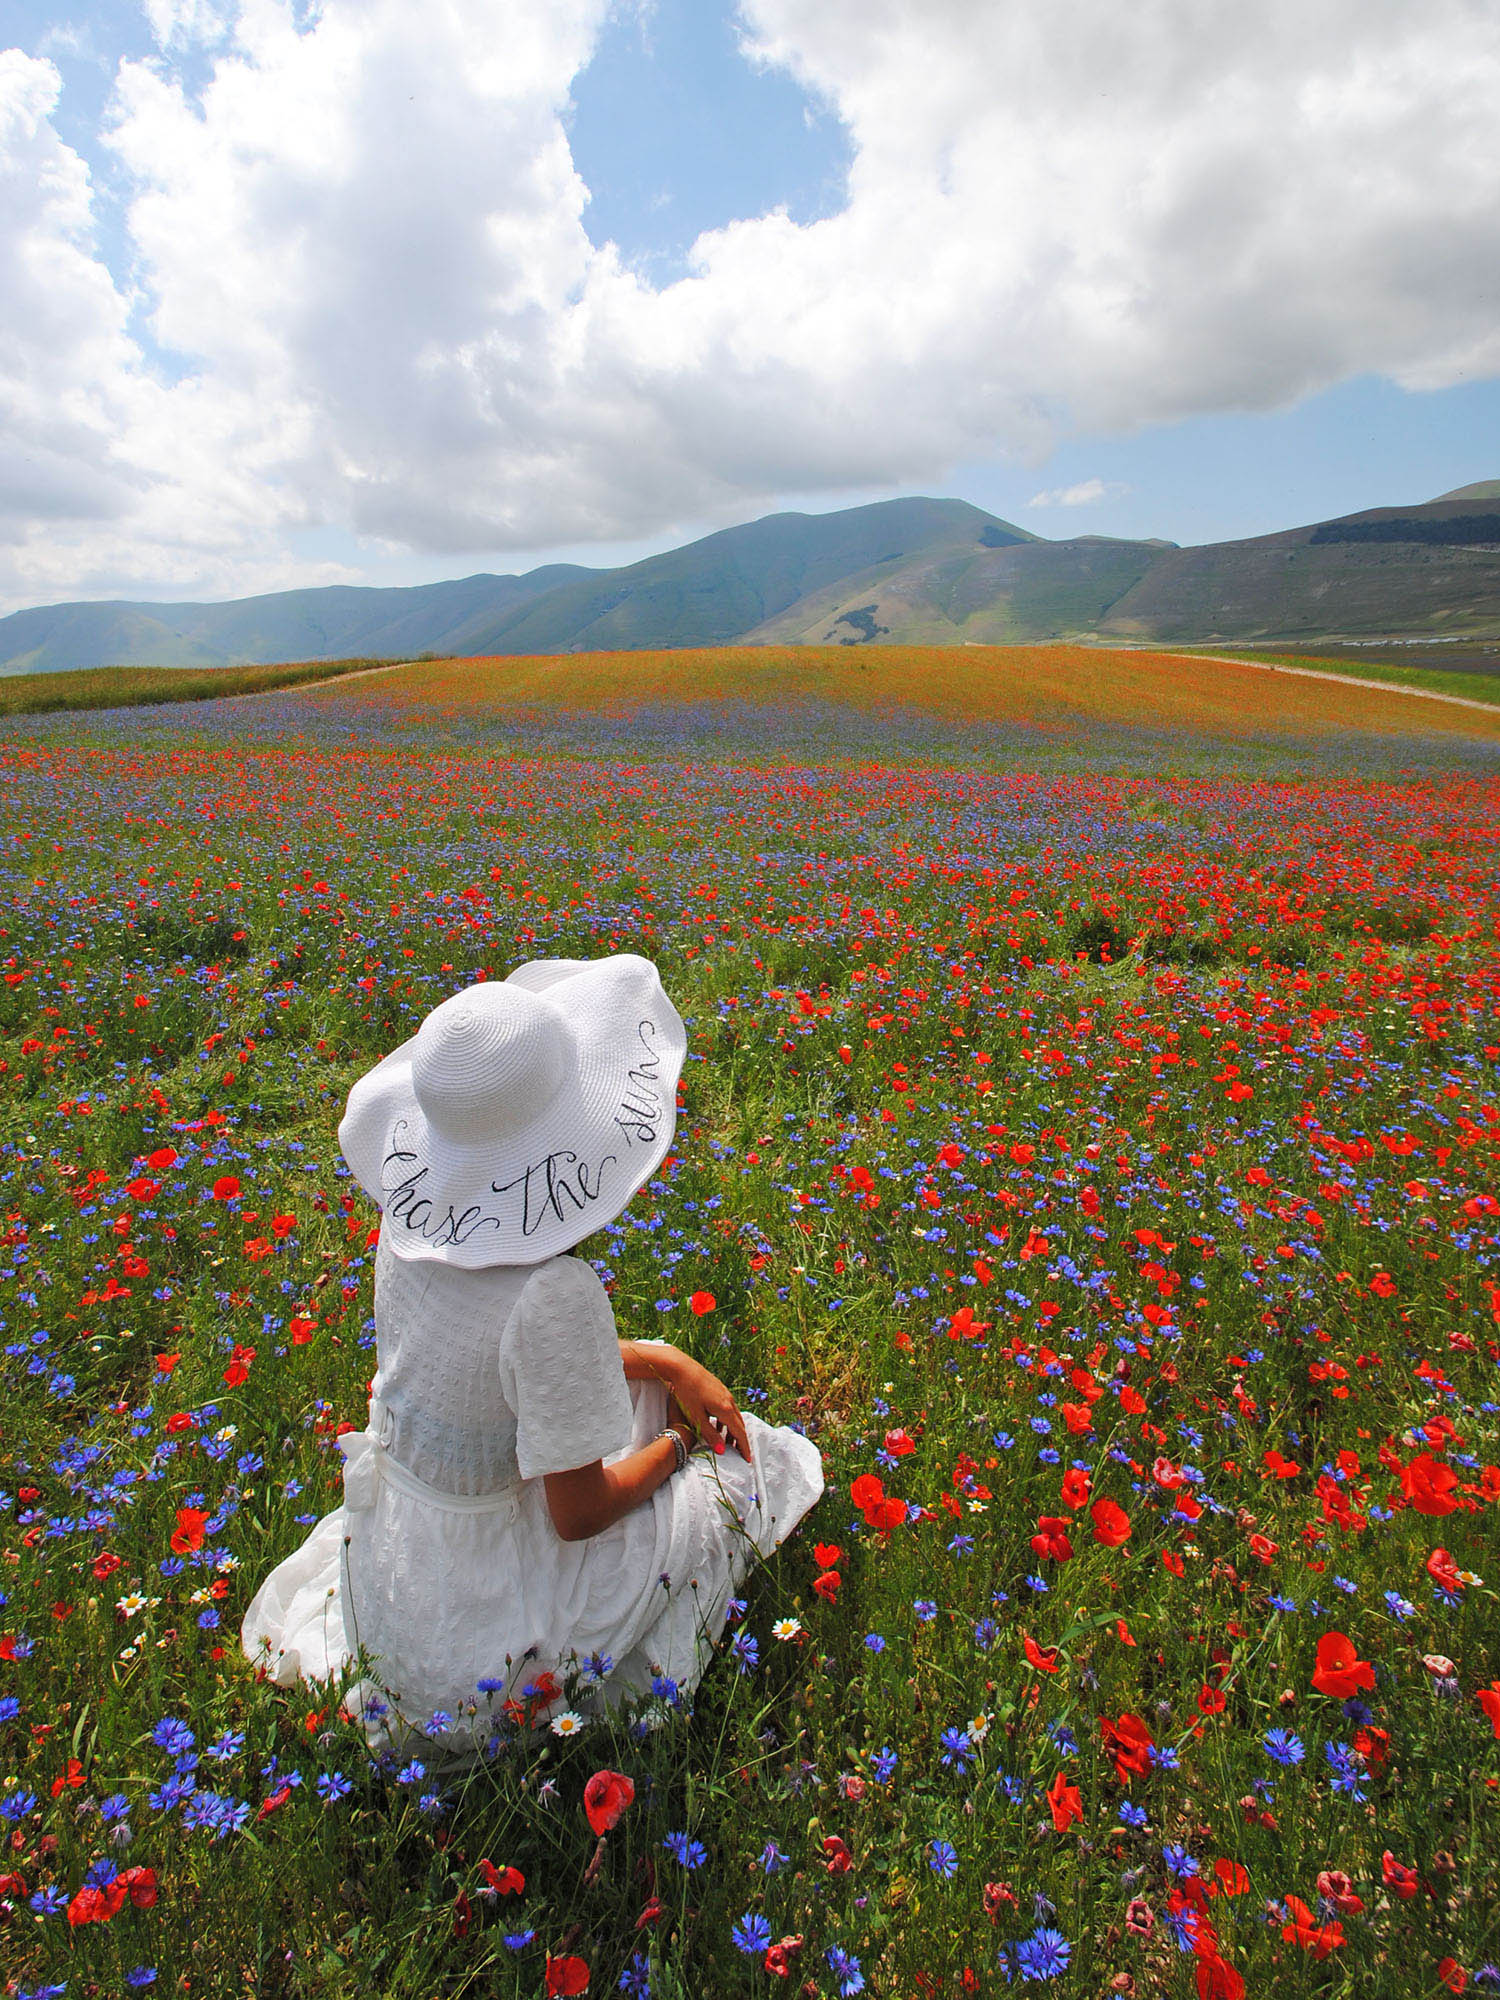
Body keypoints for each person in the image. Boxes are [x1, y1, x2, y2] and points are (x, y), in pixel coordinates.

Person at [240, 954, 824, 1748]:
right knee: (753, 1470)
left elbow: (494, 1360)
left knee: (639, 1400)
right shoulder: (553, 1292)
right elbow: (578, 1514)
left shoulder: (413, 1227)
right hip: (490, 1649)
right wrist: (680, 1445)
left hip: (398, 1577)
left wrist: (669, 1363)